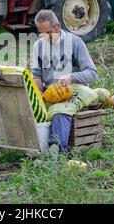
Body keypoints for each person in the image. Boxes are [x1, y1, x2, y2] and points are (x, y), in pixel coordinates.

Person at [31, 9, 99, 152]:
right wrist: (36, 95)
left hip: (73, 91)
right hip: (50, 91)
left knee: (59, 111)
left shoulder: (75, 42)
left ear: (58, 27)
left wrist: (71, 77)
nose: (46, 37)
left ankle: (56, 151)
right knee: (21, 103)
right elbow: (36, 75)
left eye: (49, 32)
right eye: (42, 33)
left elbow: (92, 73)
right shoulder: (38, 46)